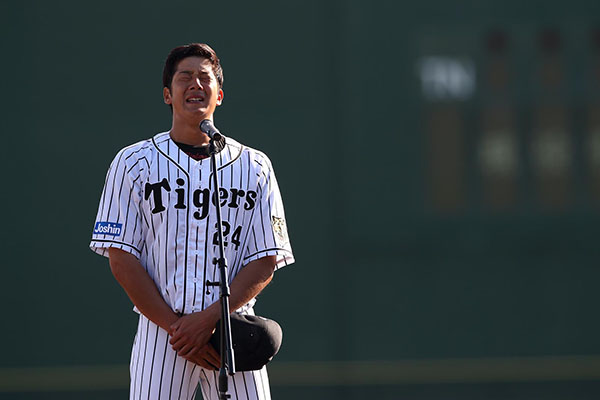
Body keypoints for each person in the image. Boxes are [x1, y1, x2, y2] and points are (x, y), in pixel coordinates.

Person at [90, 43, 294, 400]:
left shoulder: (254, 165)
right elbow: (121, 258)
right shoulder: (134, 163)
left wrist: (207, 321)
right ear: (168, 94)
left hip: (232, 329)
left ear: (220, 95)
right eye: (185, 78)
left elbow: (265, 259)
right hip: (163, 334)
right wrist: (179, 329)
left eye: (205, 78)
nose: (195, 84)